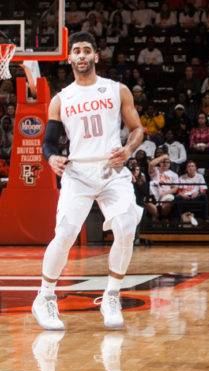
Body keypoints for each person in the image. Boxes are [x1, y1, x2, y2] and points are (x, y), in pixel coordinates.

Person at [33, 32, 144, 331]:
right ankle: (44, 297)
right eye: (76, 51)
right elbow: (49, 143)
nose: (81, 56)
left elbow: (137, 129)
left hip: (112, 169)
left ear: (96, 56)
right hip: (79, 173)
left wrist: (129, 149)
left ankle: (111, 295)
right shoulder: (61, 99)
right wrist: (52, 158)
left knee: (125, 228)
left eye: (86, 51)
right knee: (66, 233)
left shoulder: (116, 90)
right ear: (69, 58)